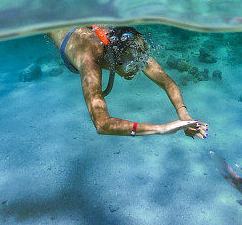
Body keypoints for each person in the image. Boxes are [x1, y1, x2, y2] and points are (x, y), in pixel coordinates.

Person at [48, 25, 209, 139]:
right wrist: (161, 129)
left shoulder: (128, 48)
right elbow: (102, 124)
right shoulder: (89, 59)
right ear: (116, 61)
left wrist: (185, 116)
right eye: (133, 65)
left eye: (140, 63)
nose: (138, 69)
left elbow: (165, 81)